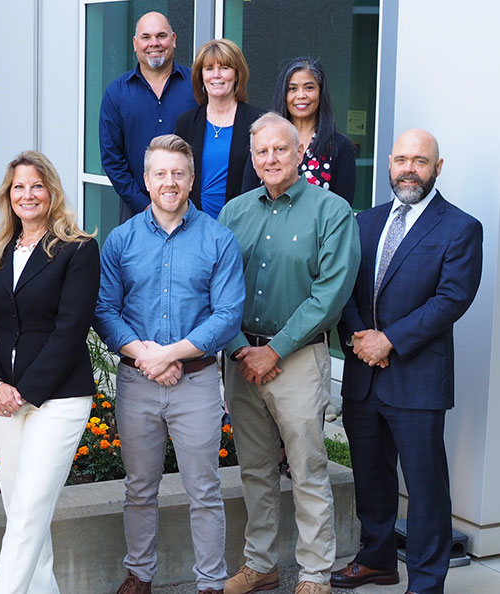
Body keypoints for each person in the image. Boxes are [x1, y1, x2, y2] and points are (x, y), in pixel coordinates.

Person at [331, 129, 483, 594]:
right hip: (363, 375)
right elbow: (344, 288)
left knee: (425, 488)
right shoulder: (365, 222)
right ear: (389, 164)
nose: (409, 169)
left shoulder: (460, 228)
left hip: (417, 379)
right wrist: (360, 337)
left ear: (438, 168)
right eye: (401, 160)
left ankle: (426, 582)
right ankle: (377, 560)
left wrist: (390, 341)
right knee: (371, 478)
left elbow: (451, 299)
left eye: (420, 161)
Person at [95, 135, 245, 594]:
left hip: (196, 384)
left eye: (178, 173)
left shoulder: (218, 239)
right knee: (139, 487)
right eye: (160, 173)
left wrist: (172, 353)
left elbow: (227, 314)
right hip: (137, 382)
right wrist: (148, 356)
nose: (169, 182)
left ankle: (210, 583)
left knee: (204, 490)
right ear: (146, 179)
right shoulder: (121, 240)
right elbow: (105, 310)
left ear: (192, 179)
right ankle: (139, 575)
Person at [217, 112, 359, 594]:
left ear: (300, 153)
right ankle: (261, 564)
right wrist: (239, 348)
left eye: (281, 149)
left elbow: (330, 294)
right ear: (252, 158)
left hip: (297, 359)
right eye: (262, 151)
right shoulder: (234, 213)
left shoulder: (332, 211)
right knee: (254, 469)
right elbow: (216, 289)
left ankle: (315, 573)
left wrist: (274, 350)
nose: (272, 158)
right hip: (241, 360)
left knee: (307, 469)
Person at [0, 150, 100, 594]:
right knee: (23, 513)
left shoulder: (77, 249)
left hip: (58, 398)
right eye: (19, 187)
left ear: (52, 192)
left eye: (36, 185)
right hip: (2, 400)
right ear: (8, 195)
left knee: (28, 513)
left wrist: (22, 391)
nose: (27, 194)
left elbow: (70, 331)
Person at [99, 11, 198, 222]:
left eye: (161, 36)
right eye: (146, 37)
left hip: (190, 209)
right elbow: (112, 159)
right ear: (135, 44)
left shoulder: (197, 87)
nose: (154, 43)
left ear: (173, 40)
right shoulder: (116, 94)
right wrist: (143, 206)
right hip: (136, 212)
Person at [242, 57, 357, 203]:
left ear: (320, 92)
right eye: (293, 89)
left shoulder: (340, 147)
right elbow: (248, 200)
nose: (301, 95)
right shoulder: (264, 141)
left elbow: (342, 208)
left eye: (309, 88)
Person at [175, 39, 264, 219]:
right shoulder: (186, 122)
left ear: (237, 75)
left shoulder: (258, 122)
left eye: (224, 68)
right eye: (209, 69)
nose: (216, 75)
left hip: (243, 222)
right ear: (201, 76)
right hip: (193, 222)